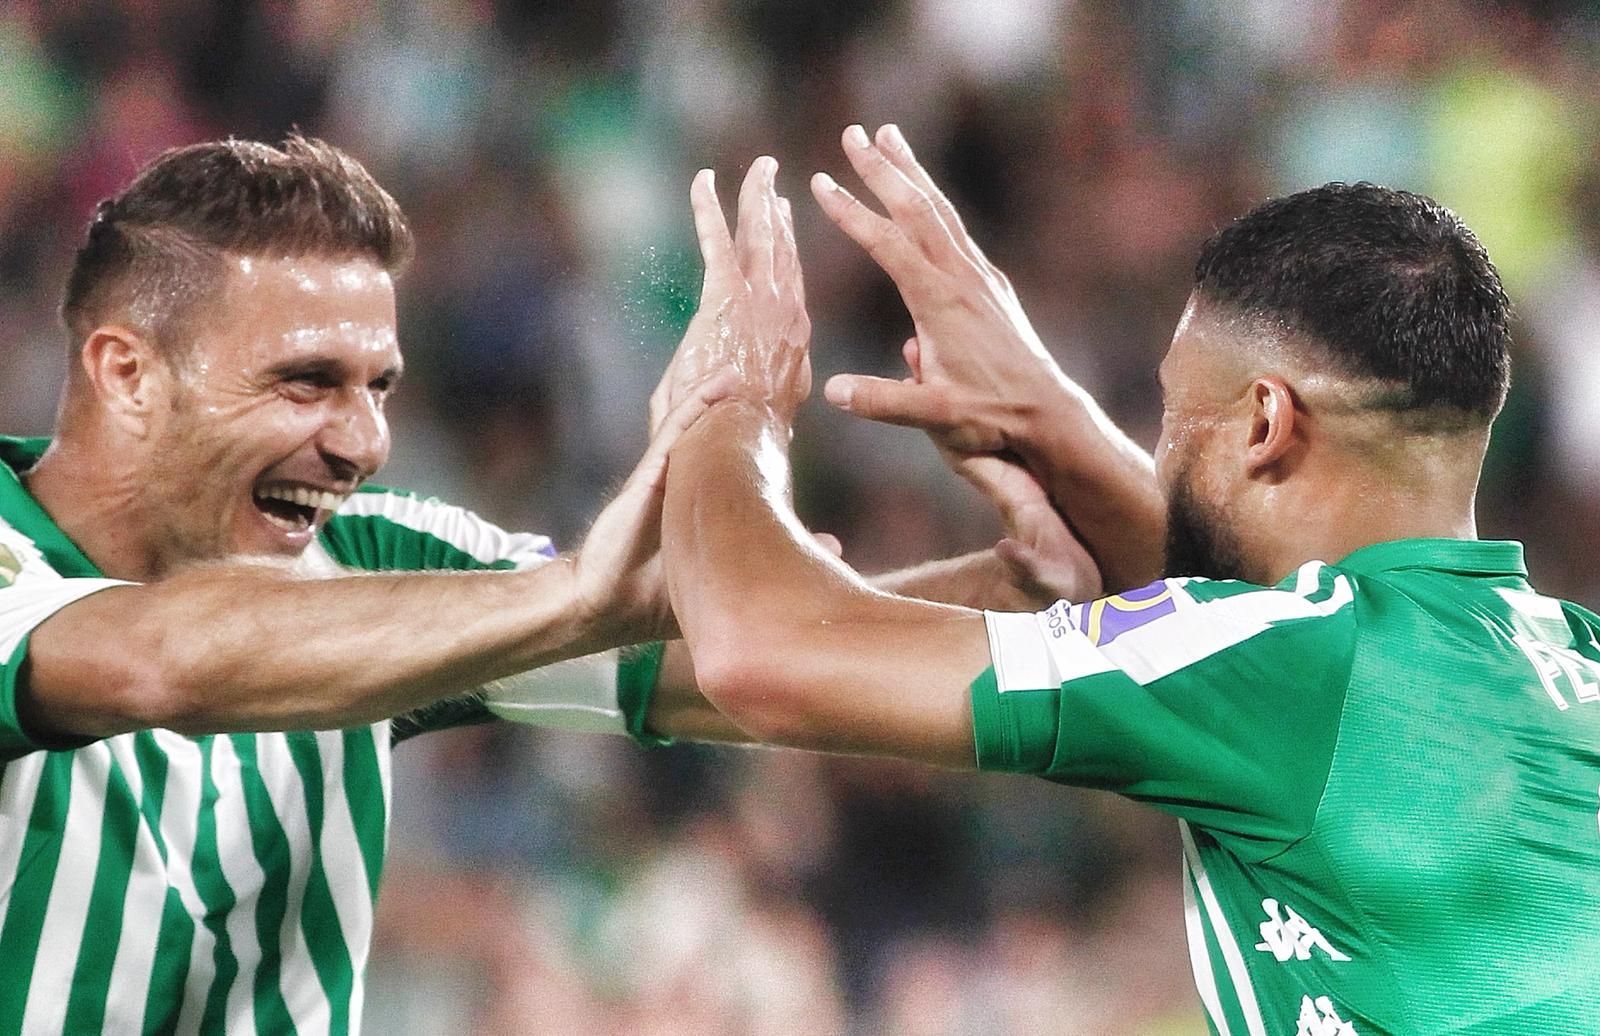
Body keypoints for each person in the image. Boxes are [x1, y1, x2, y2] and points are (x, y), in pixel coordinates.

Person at [0, 135, 1081, 1032]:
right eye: (305, 383)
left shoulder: (384, 563)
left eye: (378, 387)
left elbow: (731, 662)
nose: (362, 441)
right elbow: (157, 661)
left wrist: (1012, 592)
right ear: (127, 371)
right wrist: (578, 594)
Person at [655, 135, 1600, 1033]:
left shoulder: (1292, 663)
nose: (1160, 447)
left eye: (1175, 413)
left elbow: (756, 650)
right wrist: (1053, 417)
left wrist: (731, 397)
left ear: (1265, 422)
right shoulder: (1571, 658)